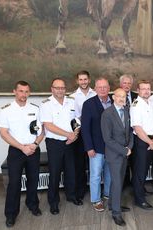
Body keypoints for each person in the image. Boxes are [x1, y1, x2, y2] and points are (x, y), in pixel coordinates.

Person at [0, 81, 44, 227]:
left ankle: (32, 204)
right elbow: (3, 133)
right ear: (14, 91)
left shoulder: (35, 109)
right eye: (21, 91)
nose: (24, 94)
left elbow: (42, 130)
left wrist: (35, 144)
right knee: (14, 183)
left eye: (26, 91)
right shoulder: (6, 110)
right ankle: (11, 214)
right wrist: (21, 147)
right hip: (16, 151)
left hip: (33, 149)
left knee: (33, 179)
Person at [40, 78, 82, 215]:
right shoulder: (46, 104)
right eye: (57, 88)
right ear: (52, 89)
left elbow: (76, 120)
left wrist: (75, 134)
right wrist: (67, 134)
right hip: (55, 144)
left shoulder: (71, 101)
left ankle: (71, 196)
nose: (60, 90)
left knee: (71, 171)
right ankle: (53, 202)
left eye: (62, 88)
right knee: (55, 173)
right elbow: (48, 125)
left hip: (71, 142)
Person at [101, 88, 134, 226]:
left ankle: (113, 205)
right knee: (118, 182)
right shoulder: (107, 114)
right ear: (113, 97)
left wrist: (130, 147)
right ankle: (116, 213)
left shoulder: (126, 110)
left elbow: (130, 132)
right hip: (115, 155)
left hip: (125, 153)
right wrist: (123, 150)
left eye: (124, 96)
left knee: (117, 181)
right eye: (119, 96)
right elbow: (107, 139)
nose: (122, 99)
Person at [81, 77, 113, 212]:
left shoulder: (114, 101)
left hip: (112, 147)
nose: (102, 89)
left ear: (109, 88)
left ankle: (107, 194)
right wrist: (89, 147)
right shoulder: (88, 104)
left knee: (109, 173)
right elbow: (85, 128)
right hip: (96, 147)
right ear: (95, 88)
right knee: (95, 175)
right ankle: (96, 199)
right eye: (100, 87)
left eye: (105, 87)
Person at [130, 80, 153, 210]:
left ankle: (140, 189)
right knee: (139, 171)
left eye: (148, 88)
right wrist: (150, 142)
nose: (146, 91)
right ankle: (139, 199)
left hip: (151, 140)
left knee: (145, 168)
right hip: (142, 141)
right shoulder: (136, 105)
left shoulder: (151, 103)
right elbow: (138, 128)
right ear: (138, 90)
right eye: (143, 89)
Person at [70, 70, 96, 201]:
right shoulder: (72, 97)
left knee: (94, 163)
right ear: (77, 81)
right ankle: (80, 191)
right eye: (81, 79)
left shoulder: (96, 94)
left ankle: (95, 190)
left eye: (85, 79)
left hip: (94, 134)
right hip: (79, 134)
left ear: (89, 80)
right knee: (79, 164)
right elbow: (73, 118)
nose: (83, 82)